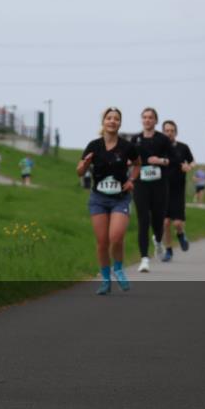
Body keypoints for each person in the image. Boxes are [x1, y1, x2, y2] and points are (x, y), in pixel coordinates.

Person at [76, 107, 141, 295]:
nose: (112, 121)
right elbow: (79, 171)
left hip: (120, 198)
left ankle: (118, 269)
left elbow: (138, 164)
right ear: (103, 122)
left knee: (116, 237)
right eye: (109, 118)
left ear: (120, 123)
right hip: (98, 199)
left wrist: (131, 180)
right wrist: (85, 165)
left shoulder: (127, 147)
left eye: (116, 119)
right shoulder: (93, 146)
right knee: (102, 242)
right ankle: (105, 279)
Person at [131, 107, 173, 272]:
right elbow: (130, 158)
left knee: (158, 219)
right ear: (142, 120)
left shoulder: (163, 139)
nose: (147, 120)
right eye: (145, 117)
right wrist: (130, 163)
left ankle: (157, 240)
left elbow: (173, 160)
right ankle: (144, 259)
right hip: (141, 184)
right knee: (143, 220)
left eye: (150, 117)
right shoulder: (135, 139)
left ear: (156, 121)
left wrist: (160, 160)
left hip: (159, 185)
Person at [160, 120, 193, 261]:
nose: (169, 133)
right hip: (161, 188)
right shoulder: (159, 148)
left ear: (176, 132)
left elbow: (192, 161)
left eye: (172, 130)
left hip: (178, 189)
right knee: (165, 222)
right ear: (162, 132)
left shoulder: (183, 147)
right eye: (166, 130)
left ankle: (180, 234)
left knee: (177, 223)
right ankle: (168, 250)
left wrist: (188, 166)